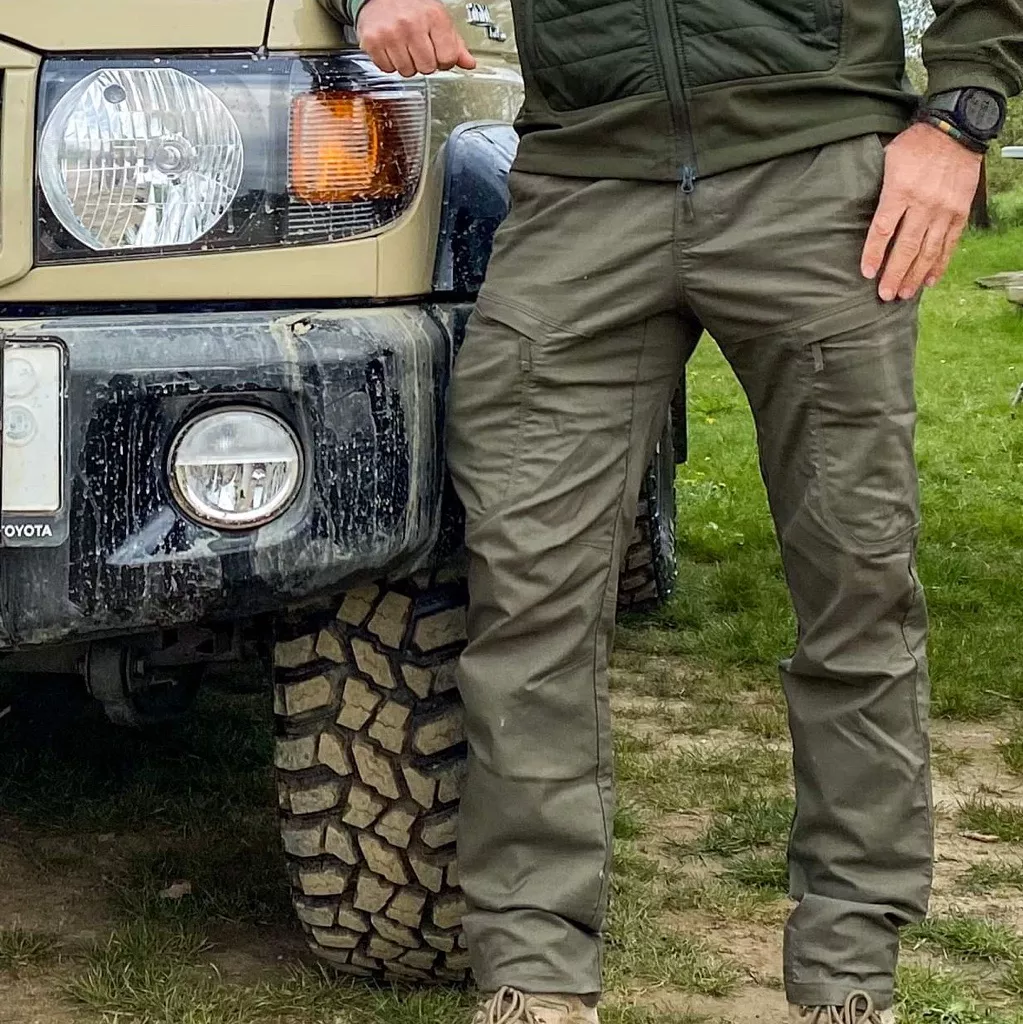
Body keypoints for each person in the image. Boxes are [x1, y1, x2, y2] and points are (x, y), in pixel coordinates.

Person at [320, 1, 1023, 1021]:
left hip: (815, 170)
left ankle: (848, 977)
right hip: (581, 181)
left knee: (856, 585)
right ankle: (533, 979)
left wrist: (958, 119)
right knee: (527, 601)